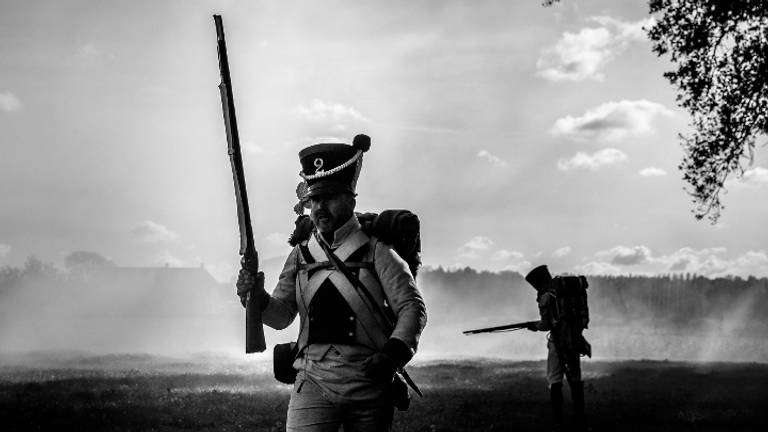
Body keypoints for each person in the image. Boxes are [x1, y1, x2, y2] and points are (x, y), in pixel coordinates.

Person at [236, 134, 427, 432]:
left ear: (350, 198)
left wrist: (391, 357)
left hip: (368, 382)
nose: (320, 208)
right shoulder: (300, 254)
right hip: (312, 380)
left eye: (329, 197)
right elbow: (282, 316)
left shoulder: (378, 250)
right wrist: (257, 299)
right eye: (314, 199)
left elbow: (411, 308)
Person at [525, 264, 586, 430]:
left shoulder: (545, 297)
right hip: (574, 339)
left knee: (555, 378)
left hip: (557, 341)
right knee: (575, 377)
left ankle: (558, 420)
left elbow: (546, 324)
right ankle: (580, 416)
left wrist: (534, 326)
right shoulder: (564, 292)